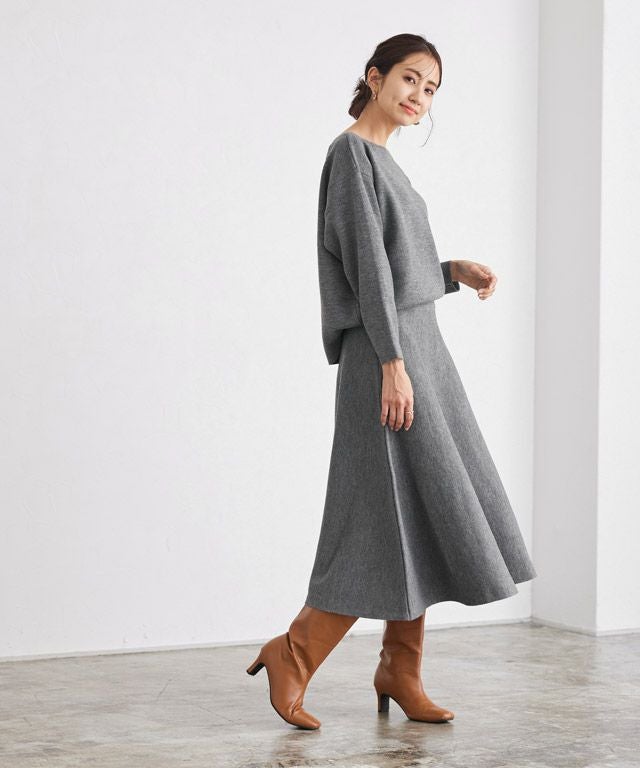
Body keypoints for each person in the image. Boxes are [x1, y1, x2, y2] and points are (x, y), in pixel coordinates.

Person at [246, 32, 537, 730]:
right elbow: (366, 272)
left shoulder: (384, 163)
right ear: (374, 78)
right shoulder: (350, 155)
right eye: (410, 79)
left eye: (431, 89)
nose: (419, 96)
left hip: (417, 351)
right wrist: (392, 364)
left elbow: (394, 268)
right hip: (388, 359)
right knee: (376, 514)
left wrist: (450, 272)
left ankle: (400, 669)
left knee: (424, 504)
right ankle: (295, 651)